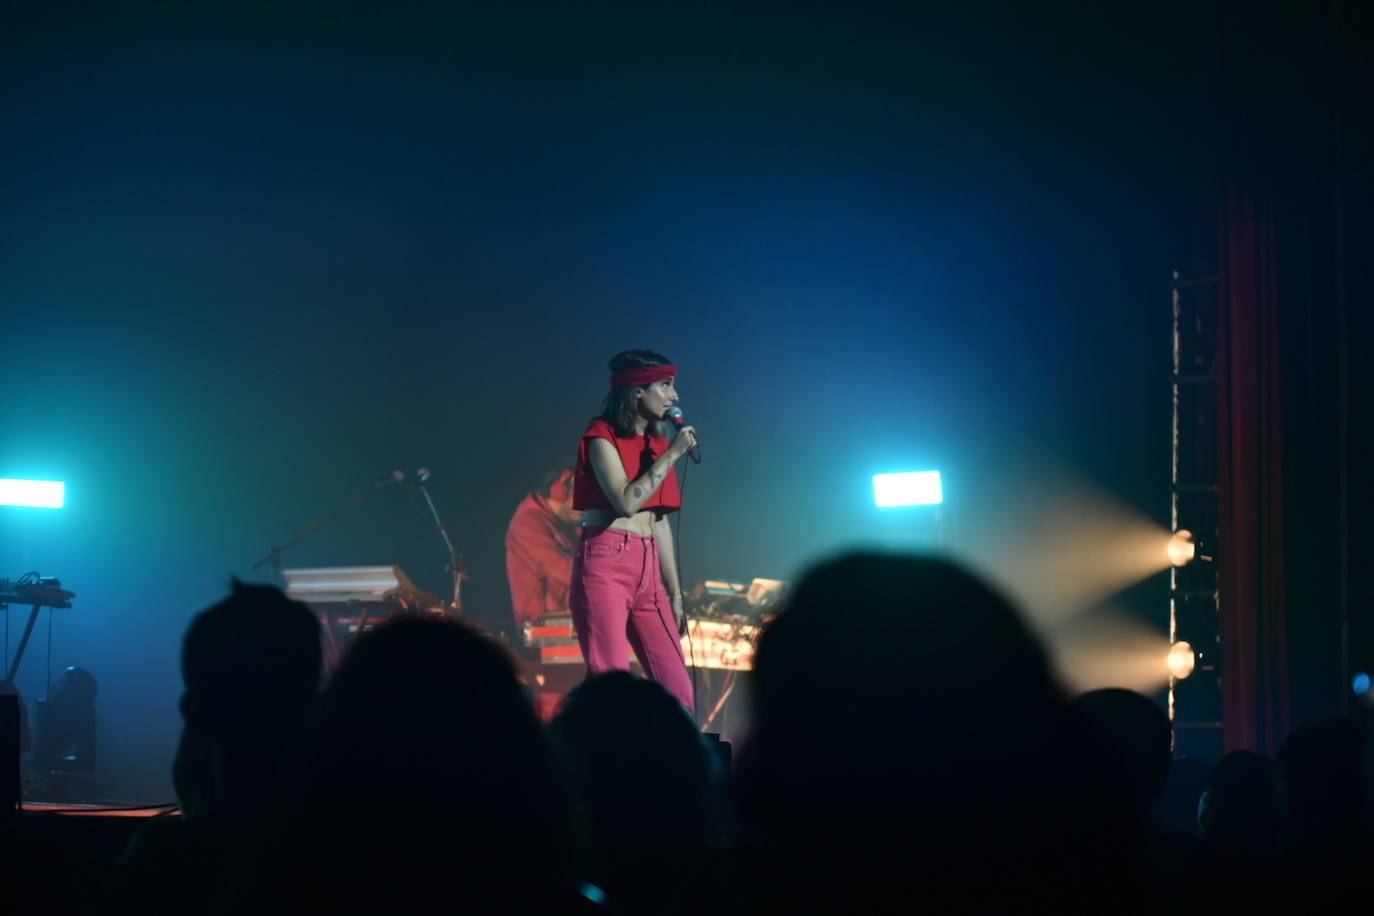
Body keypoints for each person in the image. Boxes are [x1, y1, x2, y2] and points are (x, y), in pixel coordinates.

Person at [569, 349, 698, 713]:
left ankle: (678, 766)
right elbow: (625, 502)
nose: (675, 397)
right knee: (609, 681)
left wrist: (674, 594)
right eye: (666, 386)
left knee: (678, 692)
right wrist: (671, 455)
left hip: (649, 568)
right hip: (607, 562)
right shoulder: (600, 436)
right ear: (637, 390)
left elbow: (658, 521)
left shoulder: (656, 443)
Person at [506, 464, 582, 629]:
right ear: (559, 492)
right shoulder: (527, 523)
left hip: (569, 623)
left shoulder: (568, 525)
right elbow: (560, 568)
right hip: (542, 628)